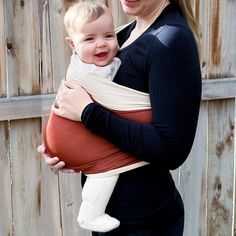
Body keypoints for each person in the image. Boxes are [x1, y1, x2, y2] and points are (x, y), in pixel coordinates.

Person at [38, 0, 202, 235]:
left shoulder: (170, 41)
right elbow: (110, 117)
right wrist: (67, 148)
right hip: (112, 213)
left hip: (142, 219)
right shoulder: (123, 33)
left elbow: (171, 148)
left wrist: (87, 113)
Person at [43, 1, 152, 233]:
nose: (101, 44)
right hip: (69, 135)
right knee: (107, 169)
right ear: (72, 45)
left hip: (66, 136)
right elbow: (105, 105)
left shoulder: (96, 63)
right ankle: (91, 213)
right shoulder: (94, 71)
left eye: (109, 35)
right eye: (90, 39)